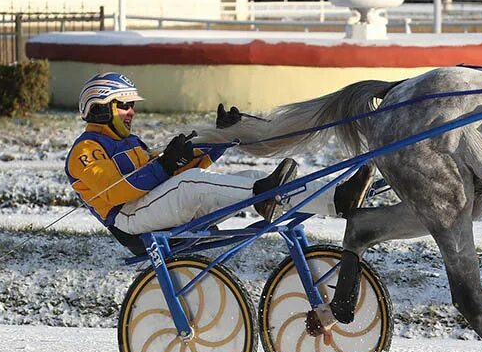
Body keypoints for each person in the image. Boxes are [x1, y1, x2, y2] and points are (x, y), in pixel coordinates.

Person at [65, 72, 317, 254]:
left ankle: (332, 199)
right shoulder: (86, 150)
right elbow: (115, 190)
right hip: (128, 221)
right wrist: (165, 165)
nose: (132, 112)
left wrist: (221, 137)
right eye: (124, 106)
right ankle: (263, 195)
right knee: (190, 183)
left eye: (132, 106)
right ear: (99, 108)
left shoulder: (133, 142)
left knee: (250, 176)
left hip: (149, 208)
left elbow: (172, 177)